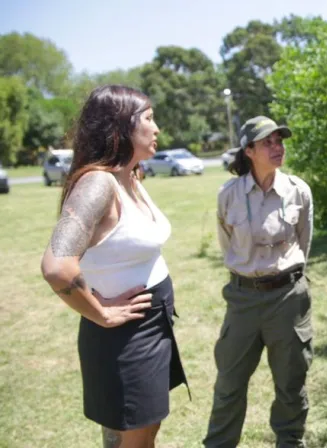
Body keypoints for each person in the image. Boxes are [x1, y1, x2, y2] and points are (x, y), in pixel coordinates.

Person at [40, 85, 187, 448]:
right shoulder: (98, 183)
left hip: (152, 325)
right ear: (121, 127)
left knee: (145, 429)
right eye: (149, 119)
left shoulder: (131, 176)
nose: (157, 129)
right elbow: (57, 266)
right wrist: (102, 314)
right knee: (132, 439)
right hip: (124, 336)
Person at [204, 116, 314, 448]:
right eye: (268, 142)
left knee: (291, 385)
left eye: (280, 141)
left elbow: (303, 242)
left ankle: (290, 443)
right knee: (229, 385)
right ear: (249, 150)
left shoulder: (298, 190)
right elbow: (229, 245)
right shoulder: (229, 195)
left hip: (288, 299)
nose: (277, 148)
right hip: (243, 300)